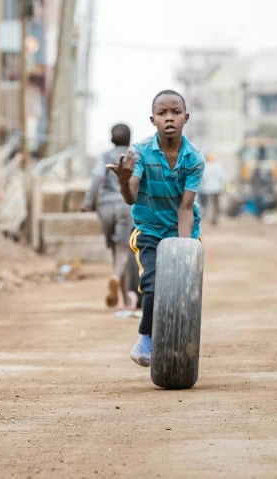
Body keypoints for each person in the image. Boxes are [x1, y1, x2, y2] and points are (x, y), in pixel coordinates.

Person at [106, 90, 205, 367]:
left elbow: (186, 208)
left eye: (175, 112)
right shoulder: (139, 152)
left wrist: (183, 251)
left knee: (185, 290)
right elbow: (131, 197)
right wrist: (124, 182)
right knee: (151, 285)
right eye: (162, 114)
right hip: (148, 230)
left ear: (186, 118)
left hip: (183, 230)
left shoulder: (194, 159)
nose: (169, 118)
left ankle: (181, 340)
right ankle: (145, 339)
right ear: (153, 120)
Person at [81, 124, 140, 313]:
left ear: (111, 139)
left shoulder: (105, 156)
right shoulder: (134, 157)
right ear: (129, 139)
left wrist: (88, 202)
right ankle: (117, 279)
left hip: (105, 206)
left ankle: (122, 294)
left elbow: (96, 178)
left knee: (116, 249)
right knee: (123, 249)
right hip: (125, 205)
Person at [198, 153, 225, 226]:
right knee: (217, 204)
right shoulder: (219, 166)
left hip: (209, 188)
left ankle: (211, 218)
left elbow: (203, 178)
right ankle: (215, 218)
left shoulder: (206, 166)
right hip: (218, 188)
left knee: (210, 204)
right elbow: (221, 177)